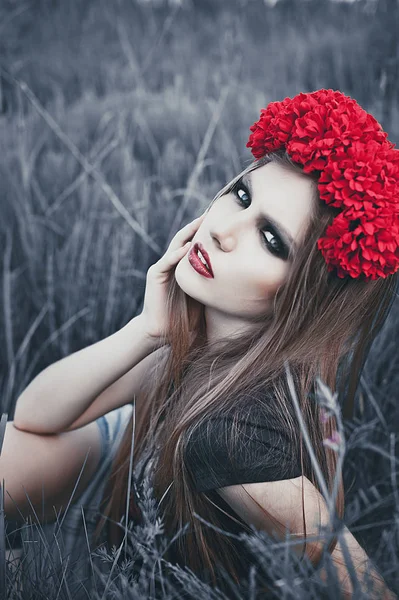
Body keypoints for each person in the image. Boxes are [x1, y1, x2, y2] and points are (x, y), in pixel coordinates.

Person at [5, 89, 398, 599]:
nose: (224, 231)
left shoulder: (236, 436)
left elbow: (365, 587)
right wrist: (146, 331)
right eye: (241, 195)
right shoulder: (193, 333)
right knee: (10, 455)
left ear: (306, 300)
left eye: (271, 240)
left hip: (172, 530)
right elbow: (34, 417)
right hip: (135, 454)